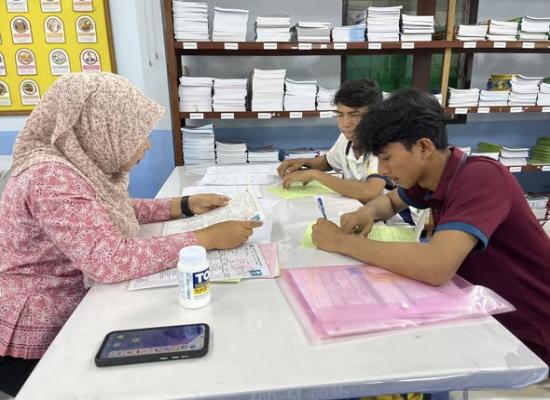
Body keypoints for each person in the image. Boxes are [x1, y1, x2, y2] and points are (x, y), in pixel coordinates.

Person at [0, 73, 261, 396]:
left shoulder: (69, 165)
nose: (148, 144)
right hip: (36, 341)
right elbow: (110, 260)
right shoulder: (51, 178)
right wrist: (205, 239)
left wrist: (182, 205)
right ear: (100, 130)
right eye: (137, 134)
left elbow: (100, 211)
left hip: (71, 312)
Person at [311, 87, 550, 365]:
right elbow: (390, 202)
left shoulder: (482, 178)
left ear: (423, 147)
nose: (383, 171)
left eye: (386, 158)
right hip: (481, 314)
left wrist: (341, 242)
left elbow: (436, 266)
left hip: (528, 337)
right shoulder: (432, 176)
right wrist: (367, 212)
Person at [277, 78, 388, 204]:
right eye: (340, 114)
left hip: (381, 214)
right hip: (355, 208)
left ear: (374, 116)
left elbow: (371, 192)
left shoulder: (383, 145)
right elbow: (327, 162)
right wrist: (303, 162)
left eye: (354, 115)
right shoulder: (346, 138)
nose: (345, 123)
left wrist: (315, 175)